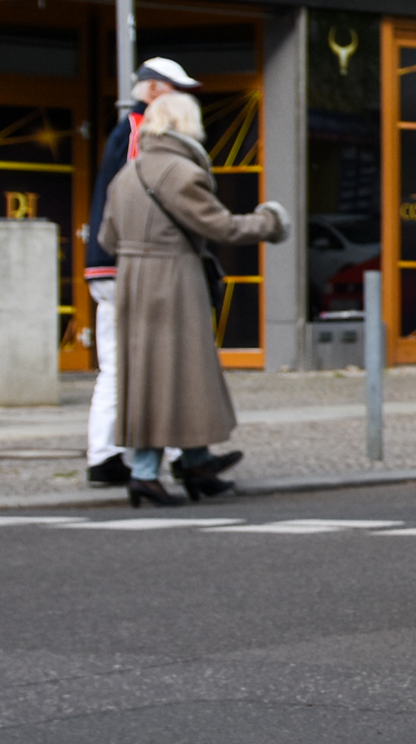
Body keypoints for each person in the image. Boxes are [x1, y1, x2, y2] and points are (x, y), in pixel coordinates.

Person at [96, 90, 290, 507]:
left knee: (157, 375)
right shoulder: (181, 173)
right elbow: (223, 228)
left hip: (133, 282)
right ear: (187, 124)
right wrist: (271, 222)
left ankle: (197, 465)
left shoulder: (126, 175)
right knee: (170, 377)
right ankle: (147, 474)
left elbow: (106, 238)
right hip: (172, 282)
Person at [80, 57, 203, 488]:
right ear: (152, 90)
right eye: (174, 89)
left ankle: (110, 455)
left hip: (108, 262)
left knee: (119, 361)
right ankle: (173, 456)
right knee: (150, 359)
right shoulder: (137, 133)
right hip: (127, 264)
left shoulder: (123, 132)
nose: (180, 99)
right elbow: (142, 196)